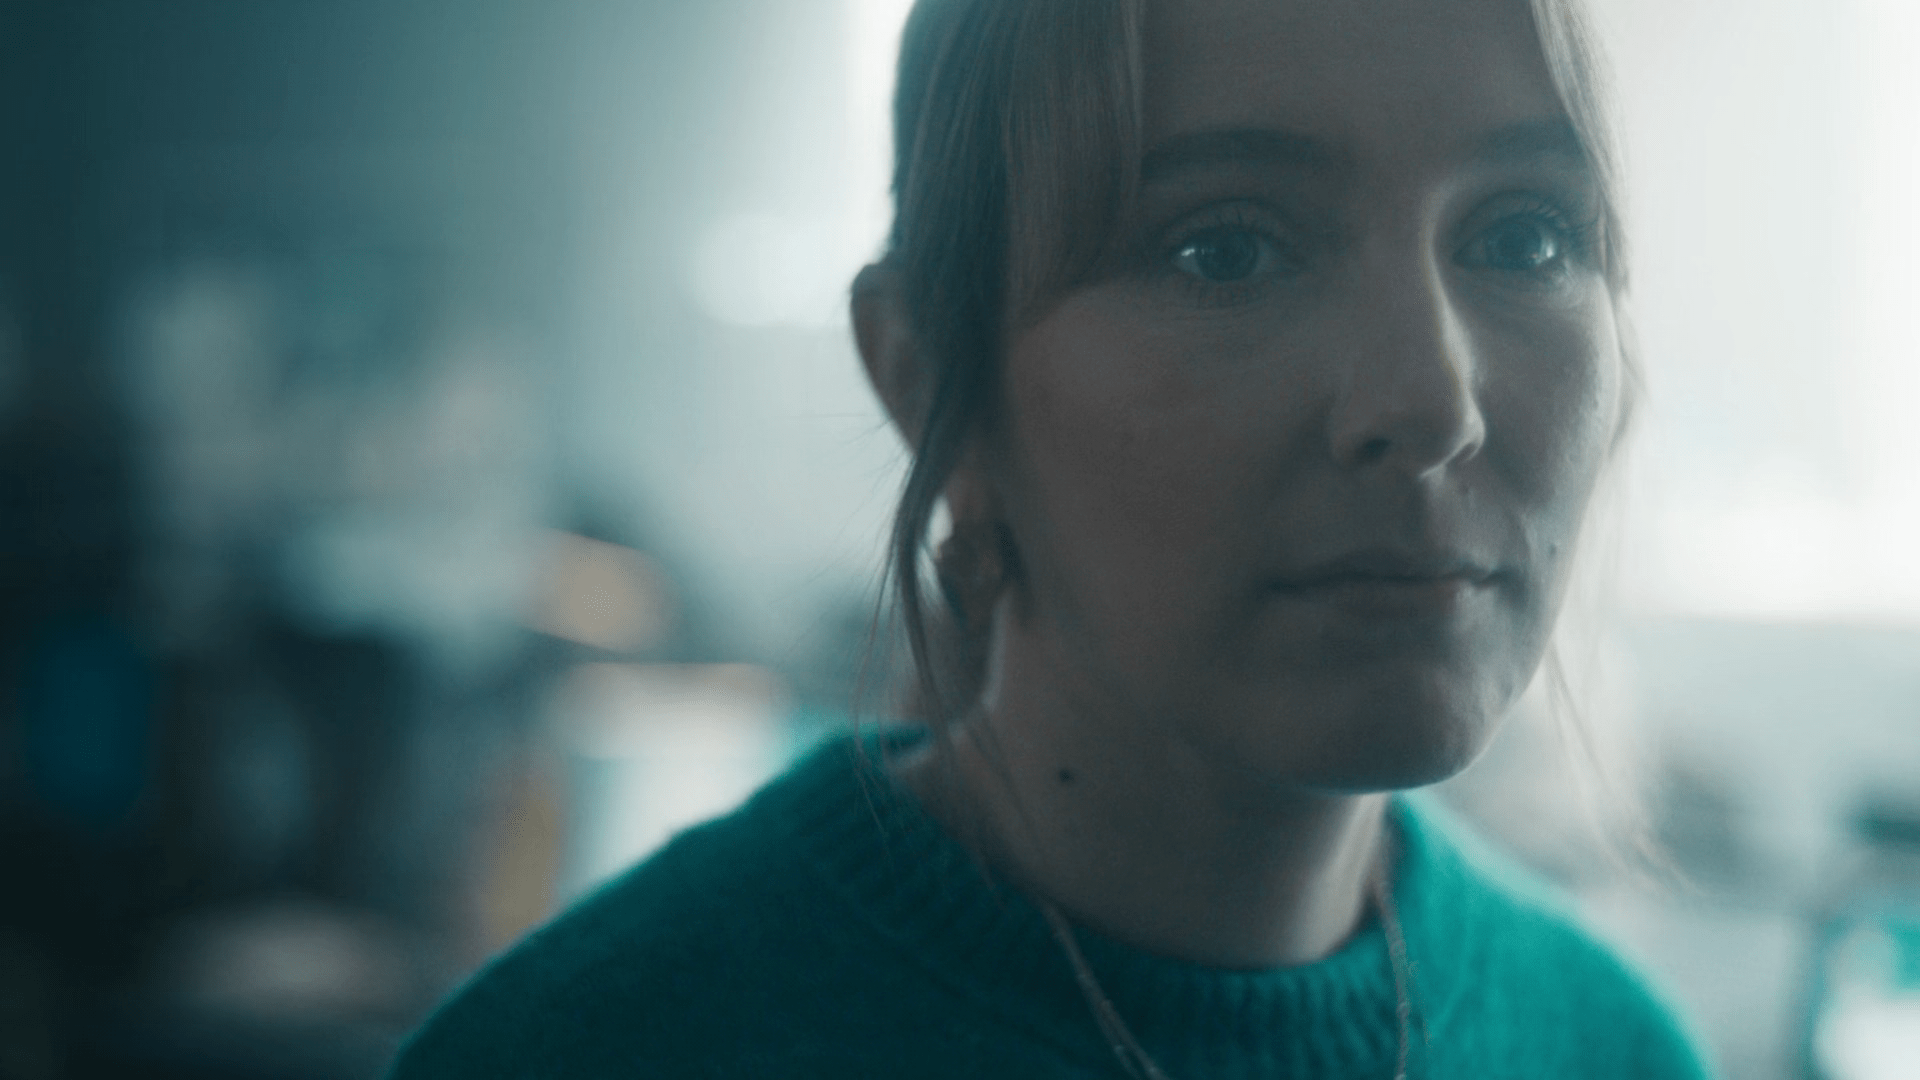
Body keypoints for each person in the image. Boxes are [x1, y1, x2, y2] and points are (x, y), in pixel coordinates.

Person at [389, 0, 1716, 1076]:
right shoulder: (590, 1049)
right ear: (933, 383)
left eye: (1528, 236)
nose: (1430, 404)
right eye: (1225, 252)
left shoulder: (1611, 1050)